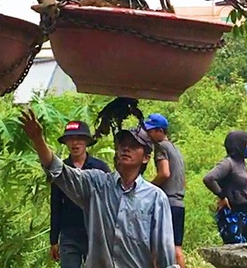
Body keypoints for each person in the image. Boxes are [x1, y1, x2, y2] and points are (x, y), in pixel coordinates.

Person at [19, 109, 179, 268]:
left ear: (146, 158)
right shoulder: (97, 184)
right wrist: (38, 139)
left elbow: (164, 252)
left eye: (134, 146)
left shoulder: (155, 198)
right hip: (73, 238)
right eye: (123, 145)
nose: (126, 149)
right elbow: (58, 171)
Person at [50, 120, 111, 268]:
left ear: (86, 142)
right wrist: (53, 240)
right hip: (69, 233)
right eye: (70, 139)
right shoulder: (61, 170)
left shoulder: (100, 167)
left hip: (96, 233)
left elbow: (110, 201)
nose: (75, 143)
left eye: (79, 139)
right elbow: (56, 205)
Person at [203, 131, 247, 244]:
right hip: (231, 214)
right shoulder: (228, 163)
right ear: (238, 145)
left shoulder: (244, 165)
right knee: (235, 248)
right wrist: (222, 196)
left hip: (245, 213)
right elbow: (209, 178)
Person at [143, 113, 187, 268]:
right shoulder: (175, 149)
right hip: (179, 203)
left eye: (150, 131)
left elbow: (164, 173)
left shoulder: (161, 147)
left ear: (160, 131)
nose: (147, 134)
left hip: (167, 202)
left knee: (157, 248)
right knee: (176, 248)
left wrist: (148, 188)